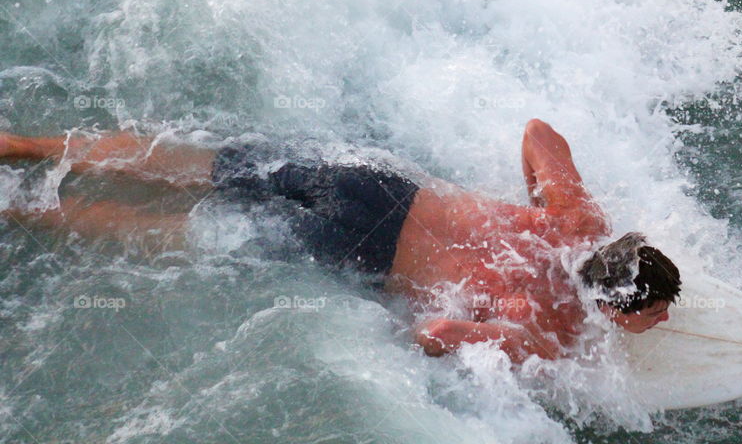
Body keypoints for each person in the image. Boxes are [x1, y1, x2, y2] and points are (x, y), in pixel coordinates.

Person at [0, 118, 681, 363]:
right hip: (352, 250)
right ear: (618, 310)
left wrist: (535, 209)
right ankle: (19, 214)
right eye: (656, 310)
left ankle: (21, 145)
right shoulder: (552, 334)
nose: (666, 319)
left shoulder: (577, 223)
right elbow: (436, 330)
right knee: (172, 227)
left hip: (374, 189)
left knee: (196, 165)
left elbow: (539, 133)